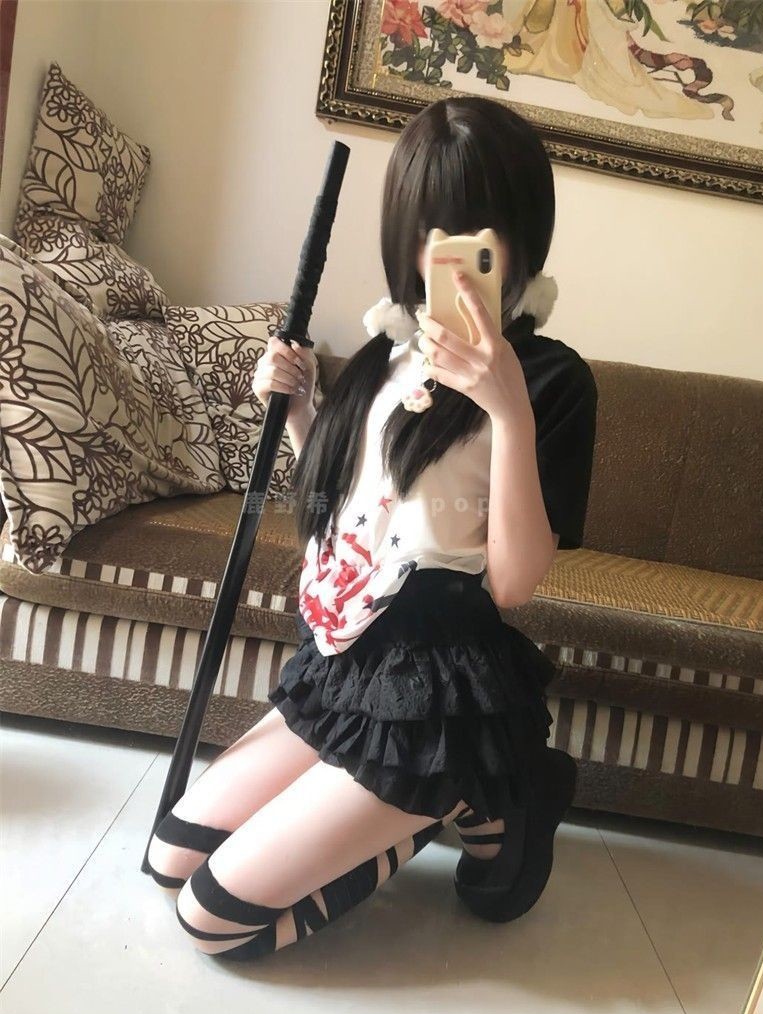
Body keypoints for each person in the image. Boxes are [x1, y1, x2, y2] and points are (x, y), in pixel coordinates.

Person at [145, 95, 597, 961]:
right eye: (431, 234)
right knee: (173, 862)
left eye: (479, 238)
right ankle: (430, 797)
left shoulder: (551, 379)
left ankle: (487, 789)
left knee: (212, 921)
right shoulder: (385, 357)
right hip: (346, 660)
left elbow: (513, 583)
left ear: (521, 239)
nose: (449, 259)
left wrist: (507, 410)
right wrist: (301, 410)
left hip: (439, 689)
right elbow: (344, 509)